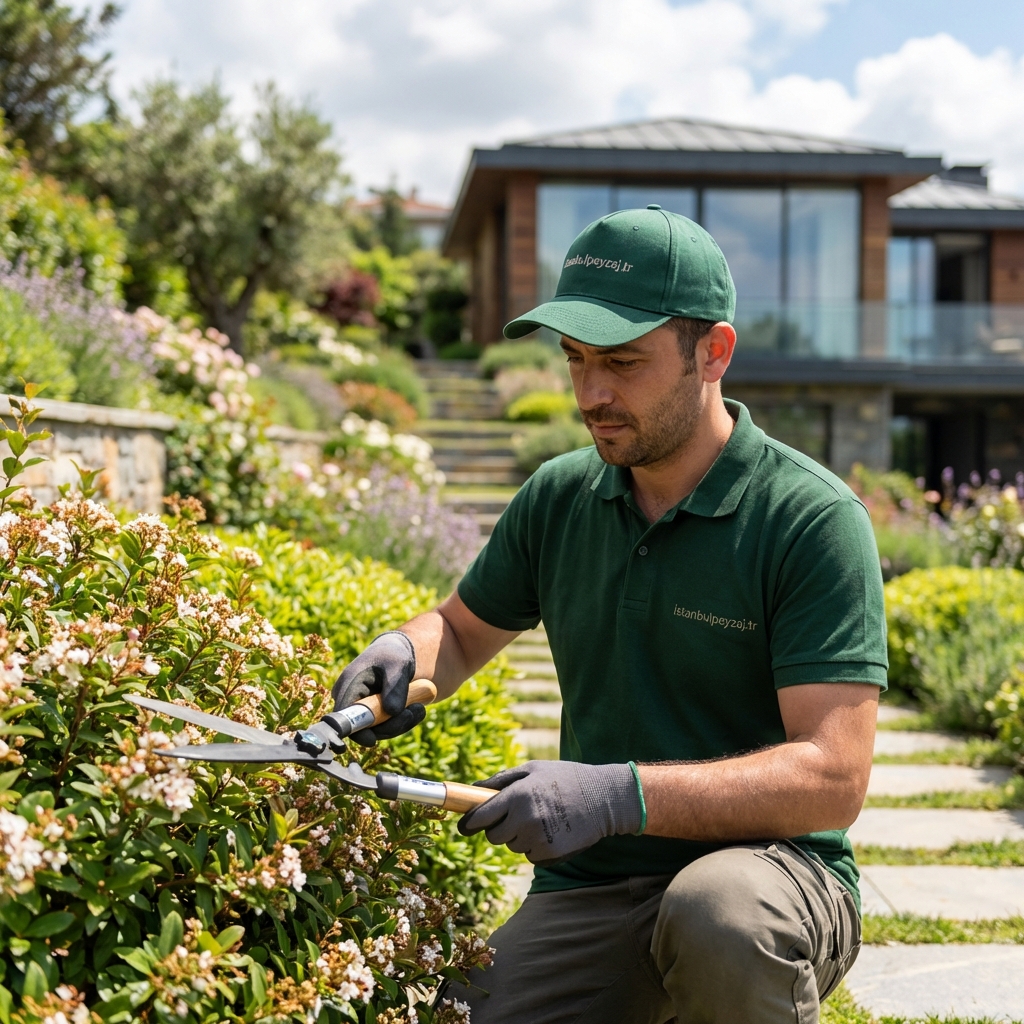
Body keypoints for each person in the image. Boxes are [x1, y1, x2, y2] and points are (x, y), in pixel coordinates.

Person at [331, 205, 887, 1024]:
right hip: (594, 884)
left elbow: (833, 778)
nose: (593, 393)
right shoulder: (559, 496)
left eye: (624, 361)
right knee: (467, 1014)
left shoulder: (809, 518)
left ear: (714, 352)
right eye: (576, 359)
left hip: (771, 873)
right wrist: (403, 649)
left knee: (717, 915)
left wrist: (618, 794)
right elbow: (461, 629)